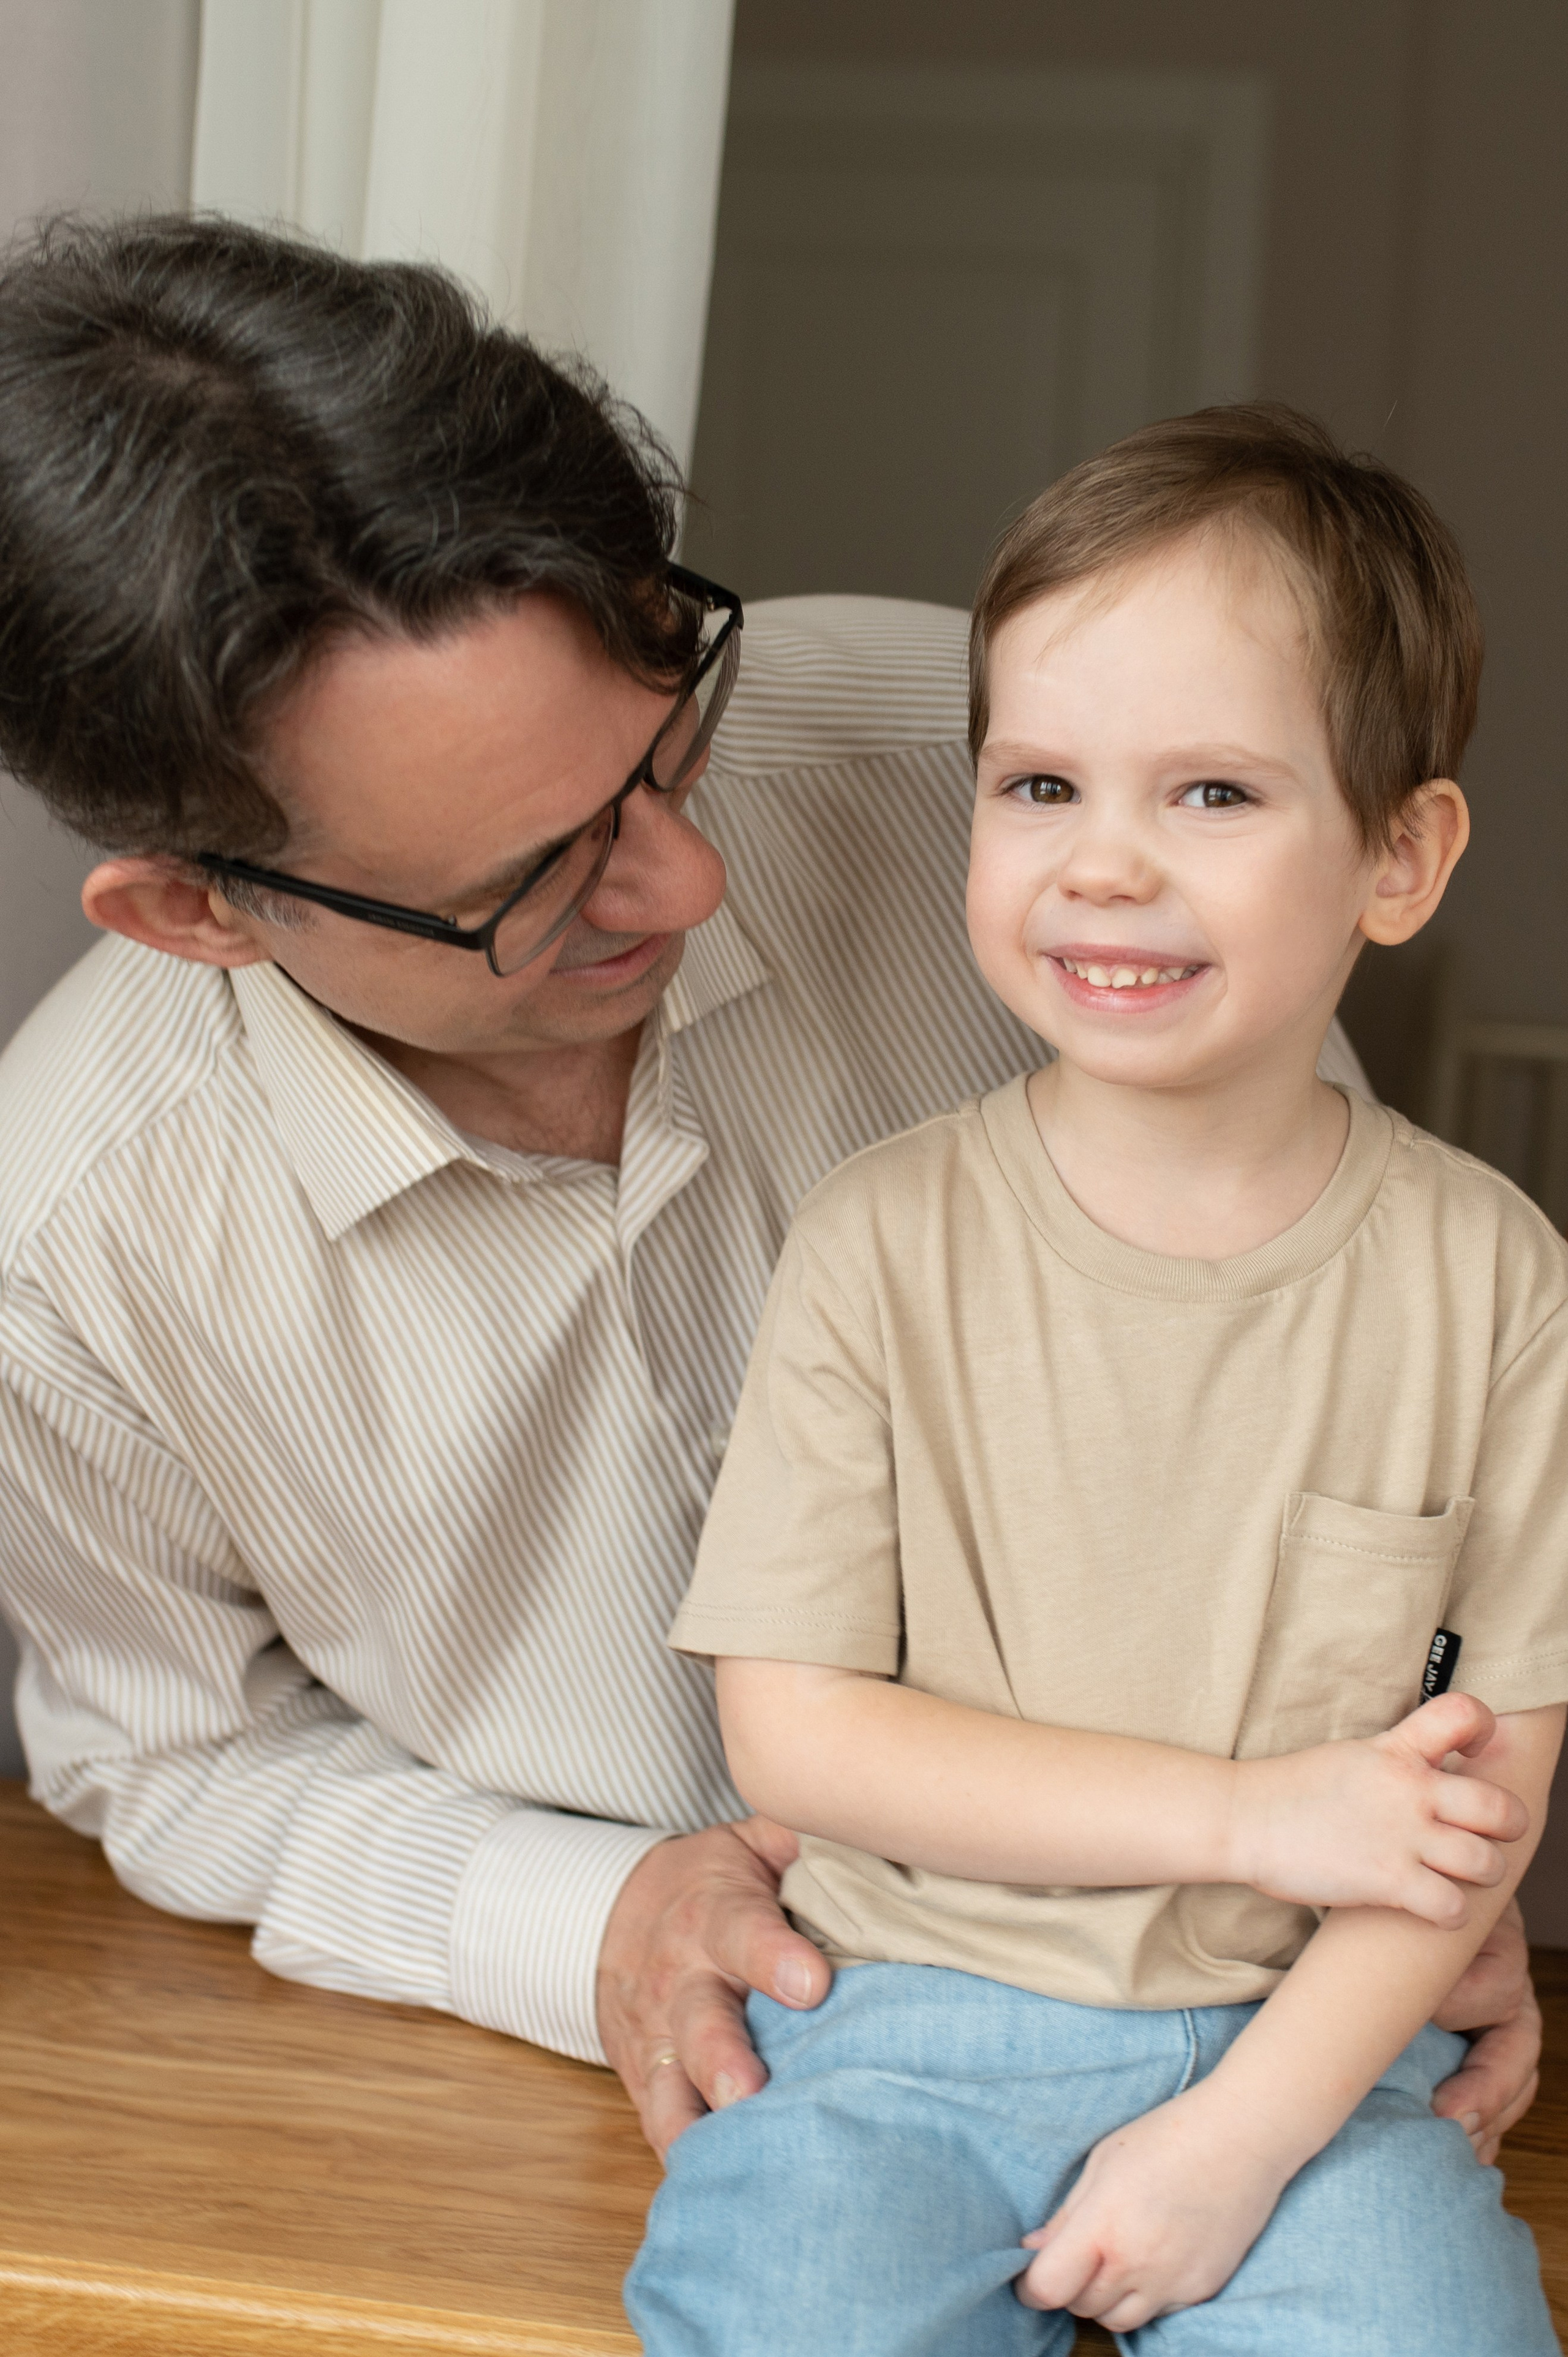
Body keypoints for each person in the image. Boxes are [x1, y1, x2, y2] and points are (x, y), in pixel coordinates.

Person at [0, 219, 1540, 2170]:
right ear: (194, 909)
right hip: (596, 2127)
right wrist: (586, 1923)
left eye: (672, 746)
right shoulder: (59, 1258)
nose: (683, 883)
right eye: (528, 880)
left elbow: (1367, 1421)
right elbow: (172, 1755)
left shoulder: (1000, 778)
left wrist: (1385, 1913)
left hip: (1257, 2028)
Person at [629, 406, 1568, 2354]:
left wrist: (1245, 2133)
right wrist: (1254, 1815)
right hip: (890, 2027)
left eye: (1213, 796)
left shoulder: (1496, 1281)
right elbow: (795, 1742)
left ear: (1402, 855)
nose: (1105, 866)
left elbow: (1465, 1822)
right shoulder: (877, 1241)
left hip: (1318, 2072)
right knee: (781, 2304)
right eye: (1040, 785)